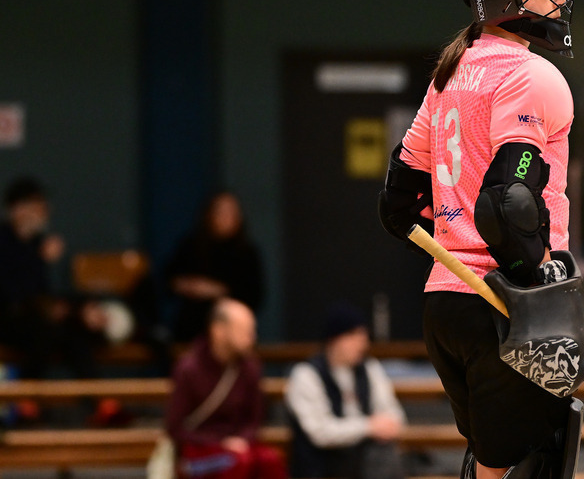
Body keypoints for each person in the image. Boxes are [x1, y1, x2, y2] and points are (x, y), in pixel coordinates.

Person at [379, 0, 584, 479]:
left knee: (491, 466)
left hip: (446, 305)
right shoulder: (531, 75)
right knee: (527, 465)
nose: (558, 0)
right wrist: (528, 291)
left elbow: (397, 203)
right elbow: (509, 202)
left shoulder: (450, 73)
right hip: (507, 301)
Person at [165, 298, 285, 479]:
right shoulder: (189, 369)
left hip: (240, 448)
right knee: (237, 462)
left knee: (270, 460)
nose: (252, 337)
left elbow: (255, 418)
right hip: (198, 454)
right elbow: (175, 428)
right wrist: (221, 443)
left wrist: (242, 440)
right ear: (218, 330)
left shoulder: (250, 367)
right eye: (244, 330)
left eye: (252, 330)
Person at [285, 301, 406, 478]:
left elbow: (394, 416)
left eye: (363, 336)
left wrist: (383, 426)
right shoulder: (306, 374)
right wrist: (368, 427)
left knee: (385, 453)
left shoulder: (369, 368)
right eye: (353, 336)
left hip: (362, 463)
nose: (361, 343)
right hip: (320, 467)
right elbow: (320, 432)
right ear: (333, 339)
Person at [0, 176, 103, 382]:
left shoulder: (38, 242)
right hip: (8, 318)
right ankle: (25, 399)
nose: (44, 210)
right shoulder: (4, 240)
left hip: (35, 317)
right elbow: (12, 294)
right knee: (45, 331)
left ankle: (100, 401)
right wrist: (39, 259)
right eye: (37, 204)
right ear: (18, 208)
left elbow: (42, 293)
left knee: (74, 331)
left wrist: (76, 308)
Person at [167, 191, 266, 343]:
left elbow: (255, 296)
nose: (225, 218)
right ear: (209, 214)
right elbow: (168, 280)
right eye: (220, 212)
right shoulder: (191, 246)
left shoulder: (247, 253)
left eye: (231, 212)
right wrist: (189, 286)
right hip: (192, 331)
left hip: (235, 333)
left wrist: (217, 291)